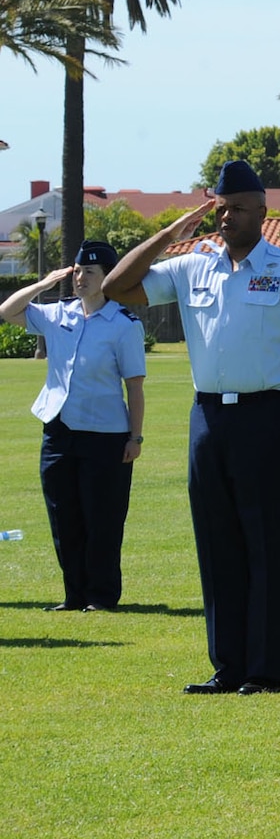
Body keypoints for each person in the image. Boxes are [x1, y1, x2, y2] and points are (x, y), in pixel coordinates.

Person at [103, 160, 280, 695]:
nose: (225, 217)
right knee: (217, 547)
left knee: (268, 547)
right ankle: (227, 666)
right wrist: (168, 234)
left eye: (235, 208)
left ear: (261, 210)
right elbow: (118, 286)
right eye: (219, 207)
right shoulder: (193, 267)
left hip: (270, 418)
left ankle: (265, 670)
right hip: (208, 419)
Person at [3, 241, 146, 612]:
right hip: (59, 431)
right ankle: (74, 595)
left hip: (106, 434)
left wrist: (135, 436)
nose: (81, 279)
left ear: (108, 278)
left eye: (90, 273)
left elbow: (134, 386)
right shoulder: (57, 315)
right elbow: (7, 311)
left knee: (103, 518)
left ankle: (101, 596)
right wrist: (44, 283)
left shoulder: (123, 324)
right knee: (63, 516)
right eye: (78, 271)